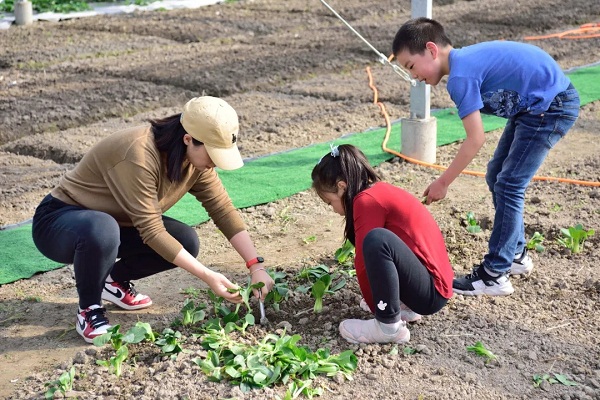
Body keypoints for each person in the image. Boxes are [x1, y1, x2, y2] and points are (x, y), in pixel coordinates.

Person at [32, 96, 274, 343]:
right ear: (188, 139)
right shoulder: (138, 154)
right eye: (213, 154)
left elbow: (222, 209)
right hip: (61, 223)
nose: (215, 163)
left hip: (118, 224)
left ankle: (112, 281)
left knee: (186, 241)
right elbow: (151, 230)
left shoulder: (195, 162)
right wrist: (208, 276)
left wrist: (256, 266)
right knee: (103, 229)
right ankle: (89, 310)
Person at [392, 18, 580, 296]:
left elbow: (475, 138)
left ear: (432, 50)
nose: (413, 76)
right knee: (497, 175)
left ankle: (494, 274)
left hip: (551, 106)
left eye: (411, 66)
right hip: (533, 107)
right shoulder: (462, 65)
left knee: (509, 184)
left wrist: (443, 182)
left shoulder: (460, 77)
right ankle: (516, 255)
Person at [311, 144, 454, 344]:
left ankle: (388, 327)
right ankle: (404, 308)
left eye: (330, 202)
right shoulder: (376, 191)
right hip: (432, 284)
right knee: (375, 240)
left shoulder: (366, 202)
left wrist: (378, 306)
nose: (332, 209)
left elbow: (362, 261)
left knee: (376, 240)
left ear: (342, 186)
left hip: (431, 292)